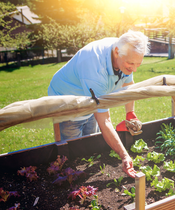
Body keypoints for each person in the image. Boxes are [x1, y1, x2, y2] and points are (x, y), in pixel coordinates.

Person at [48, 30, 150, 178]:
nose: (134, 69)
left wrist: (130, 113)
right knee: (74, 152)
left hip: (90, 97)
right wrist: (124, 155)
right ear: (117, 52)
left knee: (90, 145)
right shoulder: (95, 68)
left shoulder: (127, 52)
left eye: (138, 64)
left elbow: (128, 85)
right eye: (131, 64)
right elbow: (105, 120)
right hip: (67, 103)